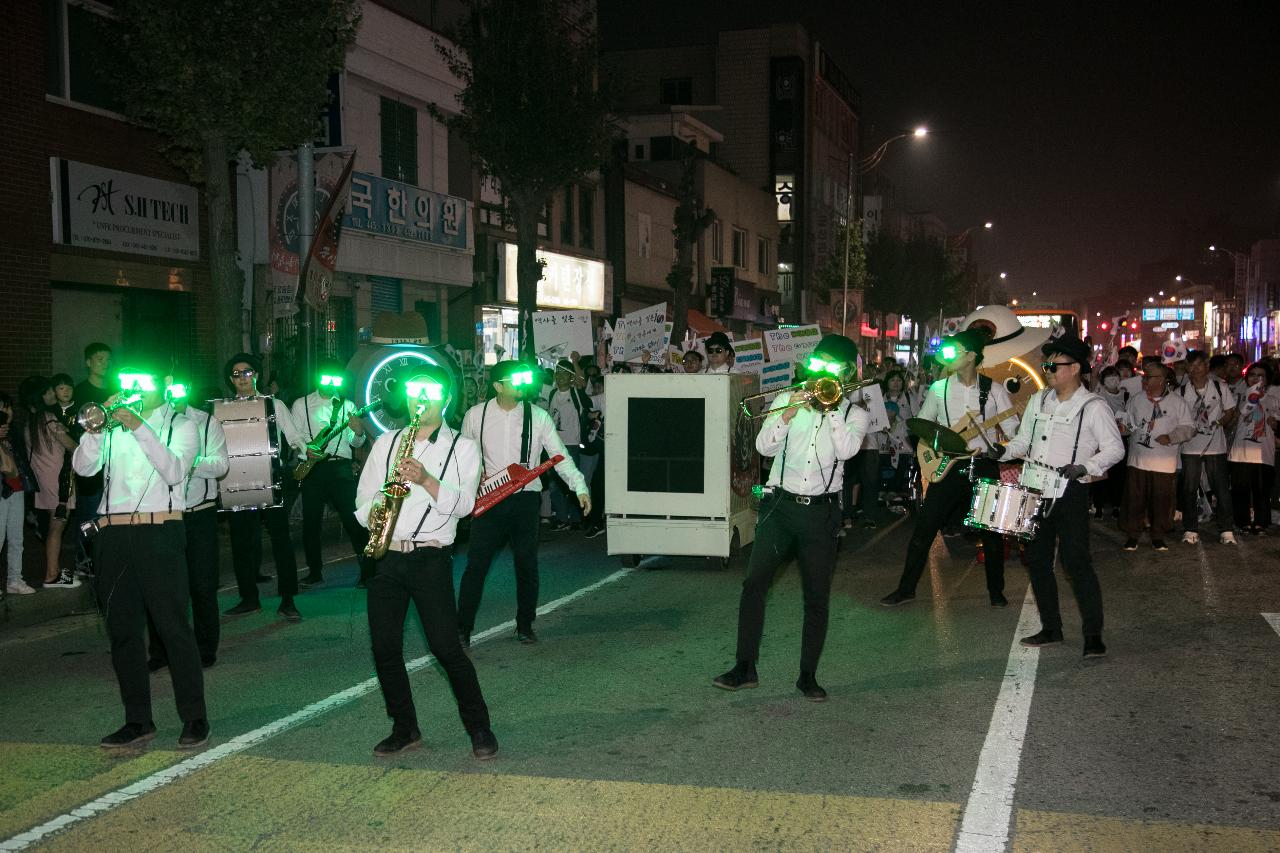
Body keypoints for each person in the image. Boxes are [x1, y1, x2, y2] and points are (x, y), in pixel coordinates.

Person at [712, 334, 868, 701]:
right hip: (780, 508)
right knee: (754, 585)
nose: (822, 372)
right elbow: (762, 447)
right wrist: (787, 412)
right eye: (819, 363)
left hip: (821, 514)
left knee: (816, 596)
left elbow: (847, 449)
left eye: (832, 367)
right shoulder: (787, 398)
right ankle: (744, 667)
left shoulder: (853, 414)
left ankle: (807, 675)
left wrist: (828, 407)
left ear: (846, 372)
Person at [355, 365, 497, 759]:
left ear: (445, 398)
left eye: (430, 392)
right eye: (416, 391)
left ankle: (479, 727)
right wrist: (380, 510)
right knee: (384, 649)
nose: (422, 399)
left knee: (445, 648)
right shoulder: (387, 443)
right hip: (388, 556)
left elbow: (467, 505)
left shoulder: (462, 447)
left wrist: (426, 479)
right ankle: (404, 727)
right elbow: (361, 499)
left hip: (430, 557)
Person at [71, 367, 210, 750]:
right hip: (112, 534)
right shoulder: (110, 429)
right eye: (127, 383)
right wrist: (95, 430)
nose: (133, 389)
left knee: (172, 627)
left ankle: (195, 716)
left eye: (141, 382)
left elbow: (173, 471)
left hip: (159, 531)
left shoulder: (180, 424)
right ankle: (137, 719)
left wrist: (137, 425)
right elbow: (84, 469)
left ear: (161, 387)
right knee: (123, 631)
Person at [989, 335, 1124, 656]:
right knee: (1037, 562)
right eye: (1046, 364)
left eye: (1054, 365)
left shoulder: (1093, 407)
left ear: (1075, 368)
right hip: (1035, 489)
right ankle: (1052, 628)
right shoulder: (1038, 401)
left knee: (1076, 563)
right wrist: (1004, 452)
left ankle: (1093, 635)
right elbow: (1024, 441)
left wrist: (1085, 466)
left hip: (1070, 491)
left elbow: (1115, 448)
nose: (1047, 369)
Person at [881, 330, 1018, 609]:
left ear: (971, 356)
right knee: (924, 529)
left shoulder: (994, 390)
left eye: (955, 350)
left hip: (982, 465)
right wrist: (934, 447)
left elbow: (1013, 430)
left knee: (991, 534)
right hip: (948, 467)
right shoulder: (938, 389)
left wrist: (1001, 446)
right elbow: (922, 425)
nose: (949, 356)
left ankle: (996, 591)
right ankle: (906, 589)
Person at [457, 360, 590, 645]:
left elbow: (559, 455)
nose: (521, 384)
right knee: (476, 565)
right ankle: (462, 629)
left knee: (526, 563)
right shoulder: (474, 416)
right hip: (490, 501)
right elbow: (462, 459)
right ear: (497, 386)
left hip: (526, 499)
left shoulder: (538, 416)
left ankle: (525, 624)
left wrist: (579, 486)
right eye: (514, 380)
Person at [147, 380, 228, 671]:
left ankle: (206, 648)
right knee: (162, 587)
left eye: (180, 390)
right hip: (166, 514)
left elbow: (221, 465)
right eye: (169, 391)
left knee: (202, 585)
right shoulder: (152, 423)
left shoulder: (207, 422)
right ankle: (160, 651)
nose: (174, 396)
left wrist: (188, 461)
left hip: (200, 514)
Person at [220, 353, 306, 621]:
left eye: (247, 372)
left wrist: (300, 452)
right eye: (236, 374)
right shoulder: (224, 409)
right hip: (237, 481)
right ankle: (249, 599)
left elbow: (295, 437)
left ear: (256, 375)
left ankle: (288, 599)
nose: (242, 378)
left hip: (272, 477)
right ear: (231, 380)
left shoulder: (274, 404)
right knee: (242, 542)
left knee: (281, 540)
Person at [291, 358, 374, 588]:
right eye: (326, 378)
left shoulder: (347, 405)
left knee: (353, 518)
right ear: (317, 378)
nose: (330, 383)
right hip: (313, 468)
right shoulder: (302, 404)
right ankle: (314, 571)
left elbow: (356, 443)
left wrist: (358, 432)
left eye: (335, 379)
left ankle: (367, 570)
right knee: (311, 522)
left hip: (340, 467)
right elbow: (295, 435)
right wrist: (306, 448)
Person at [1118, 361, 1194, 551]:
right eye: (1144, 376)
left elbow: (1189, 428)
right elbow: (1127, 423)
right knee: (1134, 499)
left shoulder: (1177, 402)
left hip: (1164, 462)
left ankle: (1158, 536)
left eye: (1149, 377)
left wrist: (1171, 437)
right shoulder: (1136, 400)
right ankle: (1132, 535)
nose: (1144, 380)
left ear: (1162, 379)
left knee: (1161, 500)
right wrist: (1123, 428)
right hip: (1138, 460)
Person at [24, 376, 80, 589]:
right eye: (48, 392)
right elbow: (72, 446)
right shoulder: (49, 418)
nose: (52, 395)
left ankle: (54, 572)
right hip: (59, 483)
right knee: (57, 526)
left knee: (54, 525)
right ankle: (51, 575)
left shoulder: (31, 420)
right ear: (40, 396)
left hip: (45, 482)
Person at [1176, 351, 1237, 545]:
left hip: (1215, 446)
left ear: (1207, 366)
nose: (1195, 370)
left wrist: (1219, 423)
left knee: (1221, 488)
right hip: (1190, 448)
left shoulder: (1220, 387)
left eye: (1199, 365)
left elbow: (1230, 411)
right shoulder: (1181, 391)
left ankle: (1226, 530)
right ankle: (1190, 529)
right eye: (1191, 366)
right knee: (1188, 489)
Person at [72, 343, 115, 574]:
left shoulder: (115, 390)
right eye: (100, 359)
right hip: (90, 462)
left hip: (114, 462)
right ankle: (84, 557)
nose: (105, 364)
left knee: (107, 512)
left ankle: (103, 556)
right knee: (90, 512)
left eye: (108, 360)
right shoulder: (80, 392)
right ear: (88, 361)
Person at [540, 358, 595, 531]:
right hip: (553, 446)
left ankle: (577, 518)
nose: (560, 375)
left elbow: (588, 400)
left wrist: (576, 362)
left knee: (571, 481)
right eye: (558, 372)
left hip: (571, 445)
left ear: (570, 376)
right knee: (554, 484)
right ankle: (562, 518)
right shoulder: (551, 394)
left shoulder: (576, 393)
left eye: (565, 372)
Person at [1228, 361, 1280, 534]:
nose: (1256, 378)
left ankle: (1260, 522)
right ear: (1247, 378)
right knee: (1240, 489)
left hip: (1263, 452)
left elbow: (1276, 421)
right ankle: (1242, 522)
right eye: (1252, 375)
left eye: (1261, 376)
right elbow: (1231, 421)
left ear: (1267, 379)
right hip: (1240, 451)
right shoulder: (1239, 397)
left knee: (1262, 490)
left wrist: (1275, 423)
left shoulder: (1273, 399)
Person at [1, 392, 36, 594]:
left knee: (16, 537)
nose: (8, 412)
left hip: (17, 488)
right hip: (2, 491)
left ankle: (15, 579)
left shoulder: (13, 431)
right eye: (3, 408)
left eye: (9, 408)